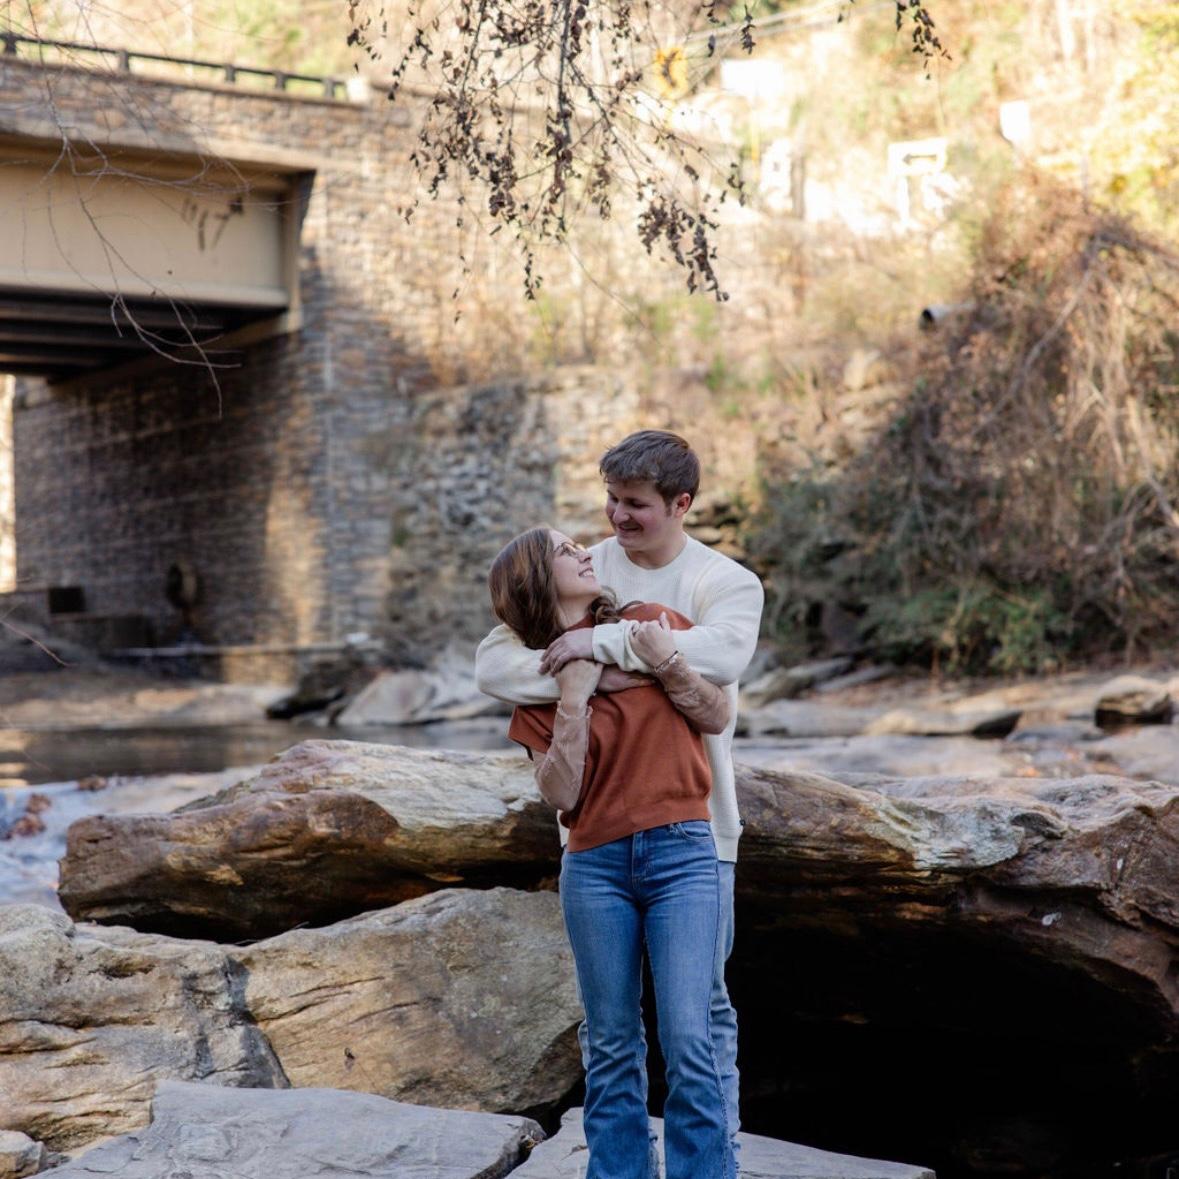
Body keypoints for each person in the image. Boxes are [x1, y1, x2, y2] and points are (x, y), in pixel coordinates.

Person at [476, 430, 764, 1170]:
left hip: (700, 830)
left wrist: (605, 648)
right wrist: (582, 678)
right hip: (593, 845)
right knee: (611, 1034)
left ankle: (713, 1163)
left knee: (698, 1022)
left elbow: (723, 667)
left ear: (680, 504)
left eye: (634, 504)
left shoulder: (722, 582)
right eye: (610, 500)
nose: (613, 519)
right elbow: (495, 663)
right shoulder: (588, 571)